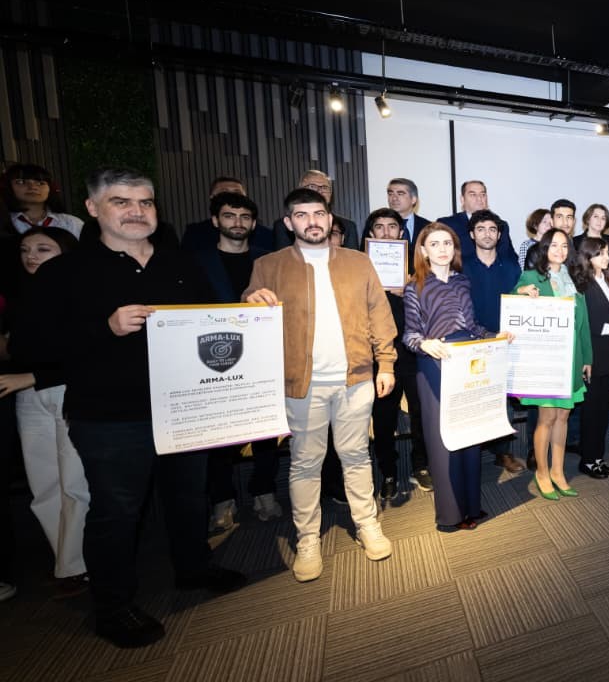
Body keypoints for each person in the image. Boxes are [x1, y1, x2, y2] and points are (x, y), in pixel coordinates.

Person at [36, 167, 245, 647]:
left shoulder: (181, 263)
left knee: (188, 498)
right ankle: (112, 607)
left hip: (183, 407)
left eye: (145, 202)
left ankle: (193, 568)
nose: (136, 211)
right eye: (121, 202)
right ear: (93, 208)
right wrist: (103, 328)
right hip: (110, 417)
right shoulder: (65, 272)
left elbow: (213, 321)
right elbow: (33, 345)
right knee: (116, 512)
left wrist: (251, 308)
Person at [245, 187, 398, 582]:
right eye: (302, 215)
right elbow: (248, 313)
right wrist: (250, 302)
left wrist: (386, 363)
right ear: (288, 222)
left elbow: (380, 315)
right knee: (305, 462)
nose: (312, 221)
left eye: (318, 214)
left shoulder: (358, 262)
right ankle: (308, 538)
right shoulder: (269, 266)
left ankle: (367, 524)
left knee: (356, 456)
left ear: (330, 219)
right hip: (301, 385)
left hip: (355, 379)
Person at [0, 226, 91, 598]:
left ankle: (78, 566)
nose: (31, 256)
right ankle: (63, 560)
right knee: (43, 484)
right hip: (27, 394)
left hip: (69, 390)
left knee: (74, 482)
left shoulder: (83, 294)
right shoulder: (22, 295)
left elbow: (90, 352)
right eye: (25, 249)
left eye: (43, 248)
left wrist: (32, 376)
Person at [403, 222, 509, 530]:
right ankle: (450, 515)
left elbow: (472, 326)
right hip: (435, 364)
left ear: (455, 249)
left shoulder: (463, 282)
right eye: (434, 244)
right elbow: (409, 335)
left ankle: (472, 506)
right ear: (423, 251)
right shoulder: (414, 286)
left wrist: (495, 336)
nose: (442, 249)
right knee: (443, 440)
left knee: (469, 433)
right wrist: (425, 344)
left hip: (467, 360)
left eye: (447, 243)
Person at [190, 192, 284, 528]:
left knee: (266, 431)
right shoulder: (196, 262)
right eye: (229, 216)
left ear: (254, 223)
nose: (237, 223)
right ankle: (222, 498)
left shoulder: (268, 261)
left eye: (244, 217)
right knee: (218, 433)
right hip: (212, 357)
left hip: (261, 356)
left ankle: (264, 490)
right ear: (215, 220)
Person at [512, 229, 590, 499]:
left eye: (564, 246)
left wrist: (587, 358)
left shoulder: (575, 280)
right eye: (554, 245)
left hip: (571, 359)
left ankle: (558, 471)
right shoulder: (531, 277)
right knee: (546, 418)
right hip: (544, 361)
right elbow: (511, 304)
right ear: (544, 248)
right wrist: (521, 292)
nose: (560, 250)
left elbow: (584, 324)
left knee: (563, 417)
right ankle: (542, 472)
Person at [362, 209, 432, 500]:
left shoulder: (418, 268)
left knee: (420, 413)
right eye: (379, 227)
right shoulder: (359, 267)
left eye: (392, 227)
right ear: (371, 234)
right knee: (383, 418)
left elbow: (434, 311)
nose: (386, 232)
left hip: (413, 353)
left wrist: (411, 291)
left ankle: (421, 464)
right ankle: (388, 472)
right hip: (379, 355)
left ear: (402, 233)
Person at [462, 210, 524, 473]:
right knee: (473, 397)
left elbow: (520, 303)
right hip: (470, 342)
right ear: (471, 234)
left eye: (492, 229)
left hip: (503, 341)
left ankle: (503, 452)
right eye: (481, 229)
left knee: (502, 398)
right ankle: (471, 453)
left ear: (499, 235)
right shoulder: (461, 266)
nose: (487, 234)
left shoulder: (511, 267)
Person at [574, 237, 609, 479]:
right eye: (599, 253)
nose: (605, 257)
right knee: (592, 411)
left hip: (607, 353)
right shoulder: (582, 283)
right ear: (587, 256)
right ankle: (588, 460)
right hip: (592, 355)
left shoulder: (606, 279)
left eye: (606, 253)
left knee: (603, 409)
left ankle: (597, 457)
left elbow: (606, 312)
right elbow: (585, 321)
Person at [179, 175, 273, 252]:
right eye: (224, 192)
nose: (231, 196)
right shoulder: (195, 233)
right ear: (212, 197)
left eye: (237, 193)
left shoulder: (265, 235)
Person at [436, 180, 519, 265]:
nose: (479, 199)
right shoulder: (447, 225)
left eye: (482, 195)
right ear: (462, 199)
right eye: (473, 195)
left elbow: (510, 257)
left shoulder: (501, 225)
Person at [272, 170, 358, 250]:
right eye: (312, 186)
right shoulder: (283, 226)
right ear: (300, 190)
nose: (319, 191)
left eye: (324, 187)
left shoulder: (348, 226)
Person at [3, 163, 84, 238]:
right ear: (8, 187)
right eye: (21, 182)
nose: (33, 187)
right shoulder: (3, 222)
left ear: (50, 189)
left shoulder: (71, 223)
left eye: (41, 183)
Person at [386, 178, 430, 258]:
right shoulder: (378, 226)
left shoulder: (428, 226)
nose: (394, 198)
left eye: (400, 194)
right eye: (390, 194)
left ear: (413, 199)